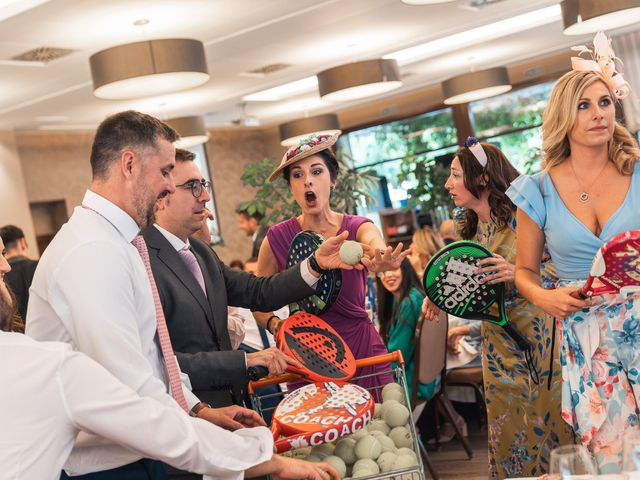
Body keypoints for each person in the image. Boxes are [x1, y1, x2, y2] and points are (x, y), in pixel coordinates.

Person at [25, 111, 274, 480]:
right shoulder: (92, 251)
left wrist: (198, 409)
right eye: (165, 171)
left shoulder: (118, 242)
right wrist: (246, 459)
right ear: (129, 164)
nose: (170, 186)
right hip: (100, 468)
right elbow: (132, 389)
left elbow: (151, 361)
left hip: (135, 452)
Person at [0, 235, 337, 480]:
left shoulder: (201, 254)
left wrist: (199, 409)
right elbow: (154, 425)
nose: (5, 266)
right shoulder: (47, 365)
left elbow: (258, 290)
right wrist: (266, 460)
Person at [507, 32, 640, 473]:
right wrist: (543, 297)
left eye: (605, 102)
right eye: (584, 105)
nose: (598, 114)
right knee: (611, 455)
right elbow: (524, 270)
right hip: (586, 335)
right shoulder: (538, 191)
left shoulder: (636, 171)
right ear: (565, 116)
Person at [143, 148, 349, 412]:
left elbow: (258, 291)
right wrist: (244, 362)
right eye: (193, 187)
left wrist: (315, 264)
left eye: (203, 185)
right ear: (162, 196)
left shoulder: (200, 251)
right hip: (189, 416)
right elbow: (158, 362)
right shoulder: (143, 258)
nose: (205, 197)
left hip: (232, 407)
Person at [423, 138, 572, 478]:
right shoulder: (470, 228)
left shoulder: (527, 217)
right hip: (498, 351)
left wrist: (518, 273)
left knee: (550, 428)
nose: (448, 184)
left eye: (456, 175)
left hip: (541, 344)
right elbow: (468, 282)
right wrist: (440, 294)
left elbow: (568, 272)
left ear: (483, 179)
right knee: (509, 432)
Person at [254, 133, 409, 393]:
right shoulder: (276, 238)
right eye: (297, 175)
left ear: (333, 180)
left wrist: (383, 258)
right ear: (291, 187)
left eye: (316, 171)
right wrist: (276, 325)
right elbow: (258, 300)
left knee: (382, 427)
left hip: (362, 349)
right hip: (306, 355)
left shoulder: (356, 226)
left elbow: (374, 242)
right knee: (325, 433)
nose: (308, 181)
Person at [0, 224, 38, 321]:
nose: (7, 268)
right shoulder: (41, 267)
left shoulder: (4, 276)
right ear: (22, 243)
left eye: (3, 253)